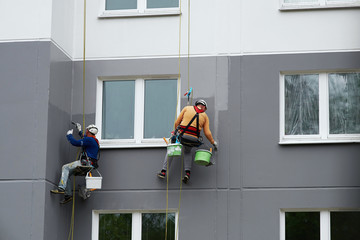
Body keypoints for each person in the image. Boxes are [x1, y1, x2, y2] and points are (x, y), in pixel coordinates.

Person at [157, 99, 218, 184]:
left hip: (182, 136)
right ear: (203, 107)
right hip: (193, 139)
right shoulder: (205, 116)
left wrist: (176, 132)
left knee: (172, 149)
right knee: (187, 152)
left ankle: (163, 171)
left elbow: (177, 122)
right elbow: (207, 133)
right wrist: (213, 142)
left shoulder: (186, 108)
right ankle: (187, 173)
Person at [50, 124, 100, 204]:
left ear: (89, 131)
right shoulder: (94, 140)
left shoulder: (89, 140)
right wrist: (79, 130)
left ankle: (61, 188)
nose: (86, 131)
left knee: (65, 167)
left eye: (87, 130)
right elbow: (84, 138)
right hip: (90, 164)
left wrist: (69, 135)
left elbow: (75, 143)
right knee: (67, 174)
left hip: (85, 163)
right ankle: (68, 195)